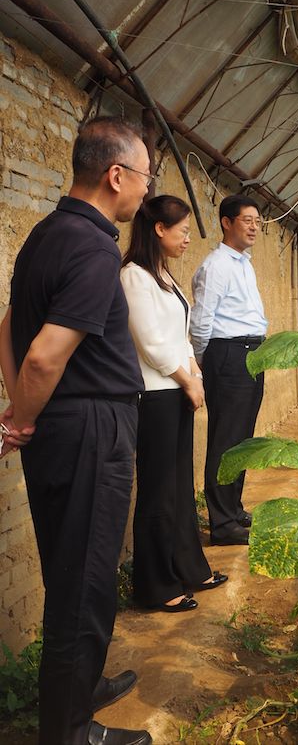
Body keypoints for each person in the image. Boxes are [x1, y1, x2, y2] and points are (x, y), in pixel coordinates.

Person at [0, 116, 153, 745]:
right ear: (116, 175)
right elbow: (41, 355)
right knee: (85, 581)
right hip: (89, 425)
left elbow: (7, 325)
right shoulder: (93, 246)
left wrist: (21, 413)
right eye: (145, 176)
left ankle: (81, 686)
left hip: (65, 425)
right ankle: (68, 731)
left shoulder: (45, 233)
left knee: (75, 569)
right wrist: (22, 416)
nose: (146, 190)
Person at [121, 196, 227, 613]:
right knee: (158, 491)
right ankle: (154, 585)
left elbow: (180, 337)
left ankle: (189, 566)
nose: (187, 238)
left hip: (178, 391)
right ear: (159, 229)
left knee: (181, 487)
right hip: (156, 395)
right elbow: (150, 343)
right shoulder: (133, 276)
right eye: (182, 230)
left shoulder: (163, 275)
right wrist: (188, 380)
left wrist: (194, 377)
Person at [190, 195, 267, 546]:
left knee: (242, 437)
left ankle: (233, 509)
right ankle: (221, 524)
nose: (254, 226)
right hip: (228, 354)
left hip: (251, 354)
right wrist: (206, 360)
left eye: (257, 221)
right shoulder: (216, 265)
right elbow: (202, 320)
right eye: (247, 220)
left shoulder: (244, 264)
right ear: (226, 222)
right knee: (225, 438)